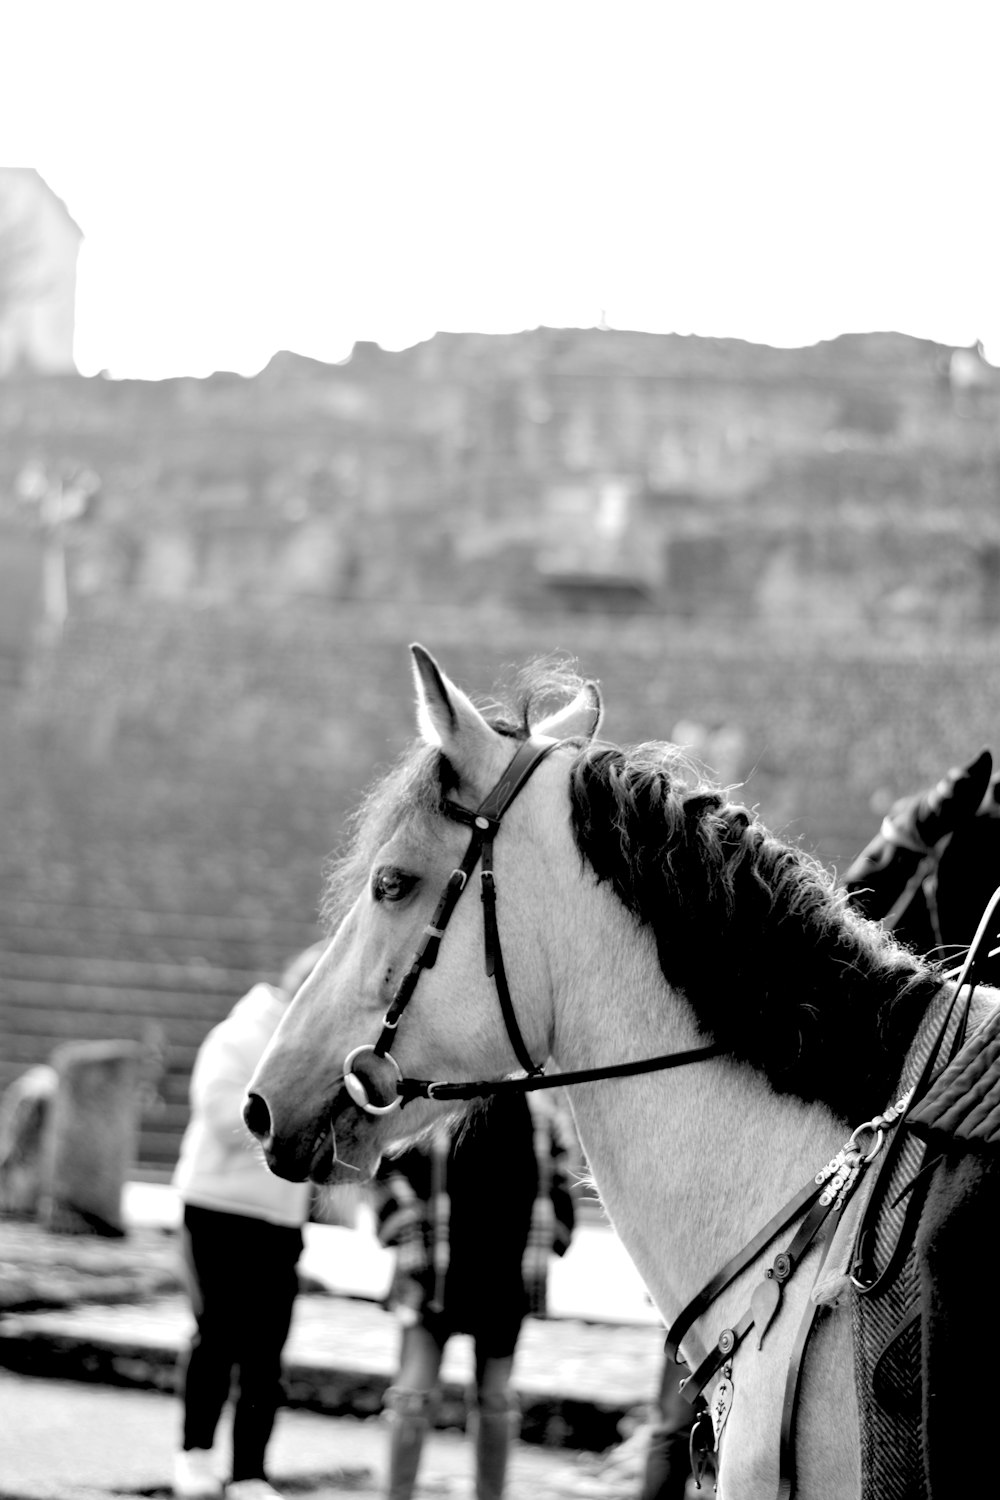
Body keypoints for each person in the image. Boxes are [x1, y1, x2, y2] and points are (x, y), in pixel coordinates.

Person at [171, 942, 325, 1500]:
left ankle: (250, 1473)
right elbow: (216, 1111)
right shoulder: (240, 1035)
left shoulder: (313, 1049)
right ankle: (194, 1457)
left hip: (278, 1219)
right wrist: (286, 1120)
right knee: (215, 1335)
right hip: (216, 1207)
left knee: (266, 1350)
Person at [373, 1091, 576, 1500]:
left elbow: (558, 1177)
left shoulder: (536, 1110)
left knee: (497, 1399)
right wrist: (409, 1233)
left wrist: (550, 1232)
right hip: (434, 1271)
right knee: (412, 1396)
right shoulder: (435, 1096)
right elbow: (387, 1164)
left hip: (505, 1273)